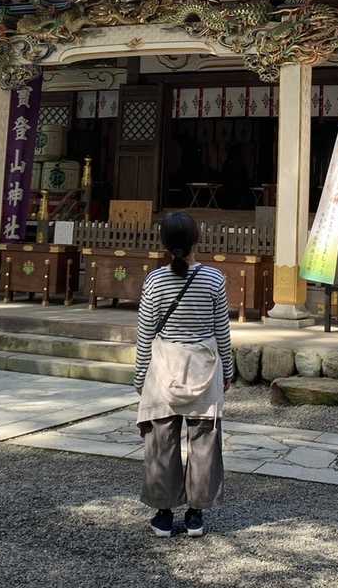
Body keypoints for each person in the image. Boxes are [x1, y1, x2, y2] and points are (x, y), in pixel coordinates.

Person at [132, 212, 233, 539]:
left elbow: (145, 334)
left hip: (164, 368)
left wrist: (140, 376)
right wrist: (228, 369)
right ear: (196, 240)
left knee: (161, 442)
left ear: (164, 243)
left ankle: (163, 515)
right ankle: (195, 515)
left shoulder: (154, 281)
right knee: (204, 442)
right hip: (203, 367)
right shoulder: (214, 279)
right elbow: (222, 331)